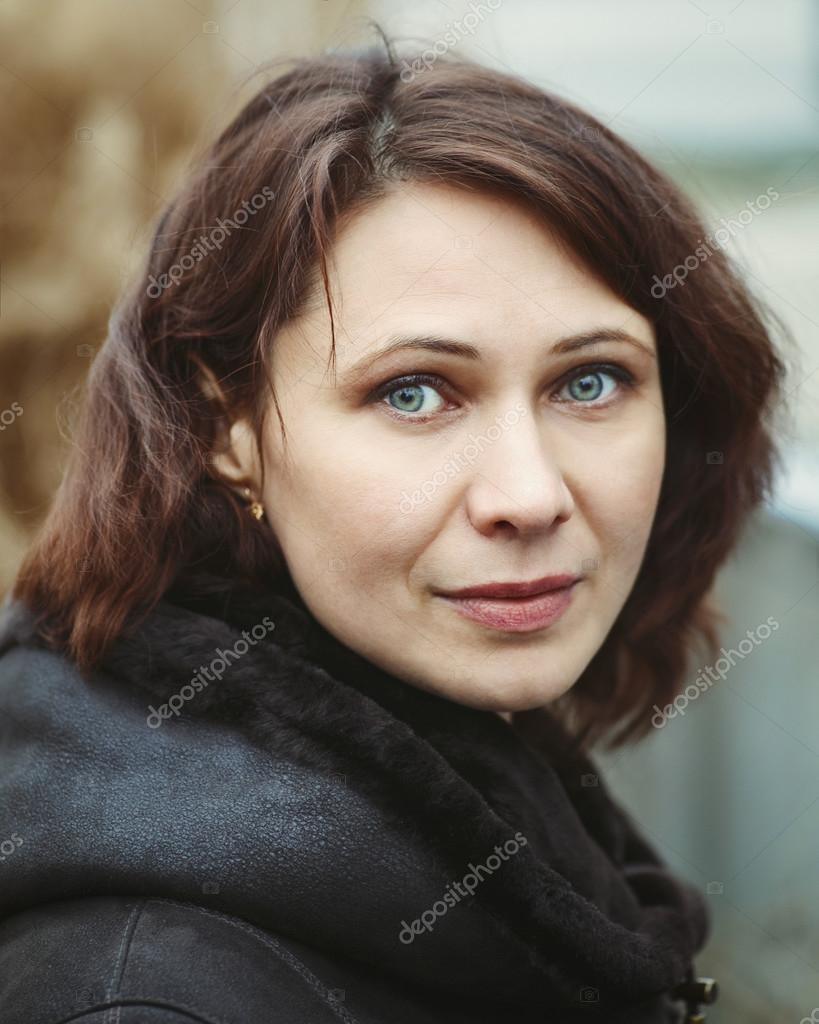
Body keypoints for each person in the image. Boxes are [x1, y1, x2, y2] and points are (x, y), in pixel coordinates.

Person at [0, 33, 783, 1023]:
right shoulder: (145, 994)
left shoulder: (467, 758)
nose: (528, 494)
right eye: (415, 393)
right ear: (225, 430)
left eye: (591, 381)